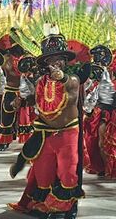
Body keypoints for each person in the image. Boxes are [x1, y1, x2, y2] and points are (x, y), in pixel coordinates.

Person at [8, 29, 84, 218]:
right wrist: (23, 101)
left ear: (65, 61)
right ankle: (45, 205)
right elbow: (37, 98)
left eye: (59, 58)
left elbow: (70, 85)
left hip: (67, 135)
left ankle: (65, 208)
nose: (55, 63)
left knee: (68, 173)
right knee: (43, 174)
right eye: (51, 59)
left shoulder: (72, 80)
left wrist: (63, 77)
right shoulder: (41, 81)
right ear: (46, 62)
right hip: (45, 134)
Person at [82, 47, 116, 179]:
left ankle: (111, 168)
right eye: (105, 66)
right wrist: (87, 112)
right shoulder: (96, 83)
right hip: (100, 115)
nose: (107, 68)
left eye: (110, 66)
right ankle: (104, 166)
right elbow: (90, 100)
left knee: (113, 144)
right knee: (100, 143)